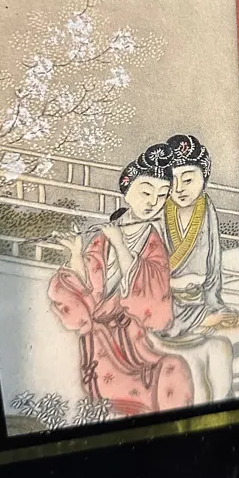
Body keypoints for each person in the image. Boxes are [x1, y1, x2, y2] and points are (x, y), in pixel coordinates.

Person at [48, 144, 194, 418]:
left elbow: (152, 291)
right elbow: (89, 287)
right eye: (146, 192)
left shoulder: (152, 240)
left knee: (167, 370)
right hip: (99, 334)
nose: (153, 202)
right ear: (127, 190)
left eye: (162, 195)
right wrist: (76, 254)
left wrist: (119, 244)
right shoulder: (105, 235)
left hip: (130, 332)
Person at [161, 133, 239, 335]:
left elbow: (213, 262)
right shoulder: (160, 211)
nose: (179, 189)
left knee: (225, 319)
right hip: (165, 299)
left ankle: (205, 315)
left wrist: (213, 302)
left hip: (199, 298)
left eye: (188, 179)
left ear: (204, 175)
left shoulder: (206, 208)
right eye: (172, 181)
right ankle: (197, 319)